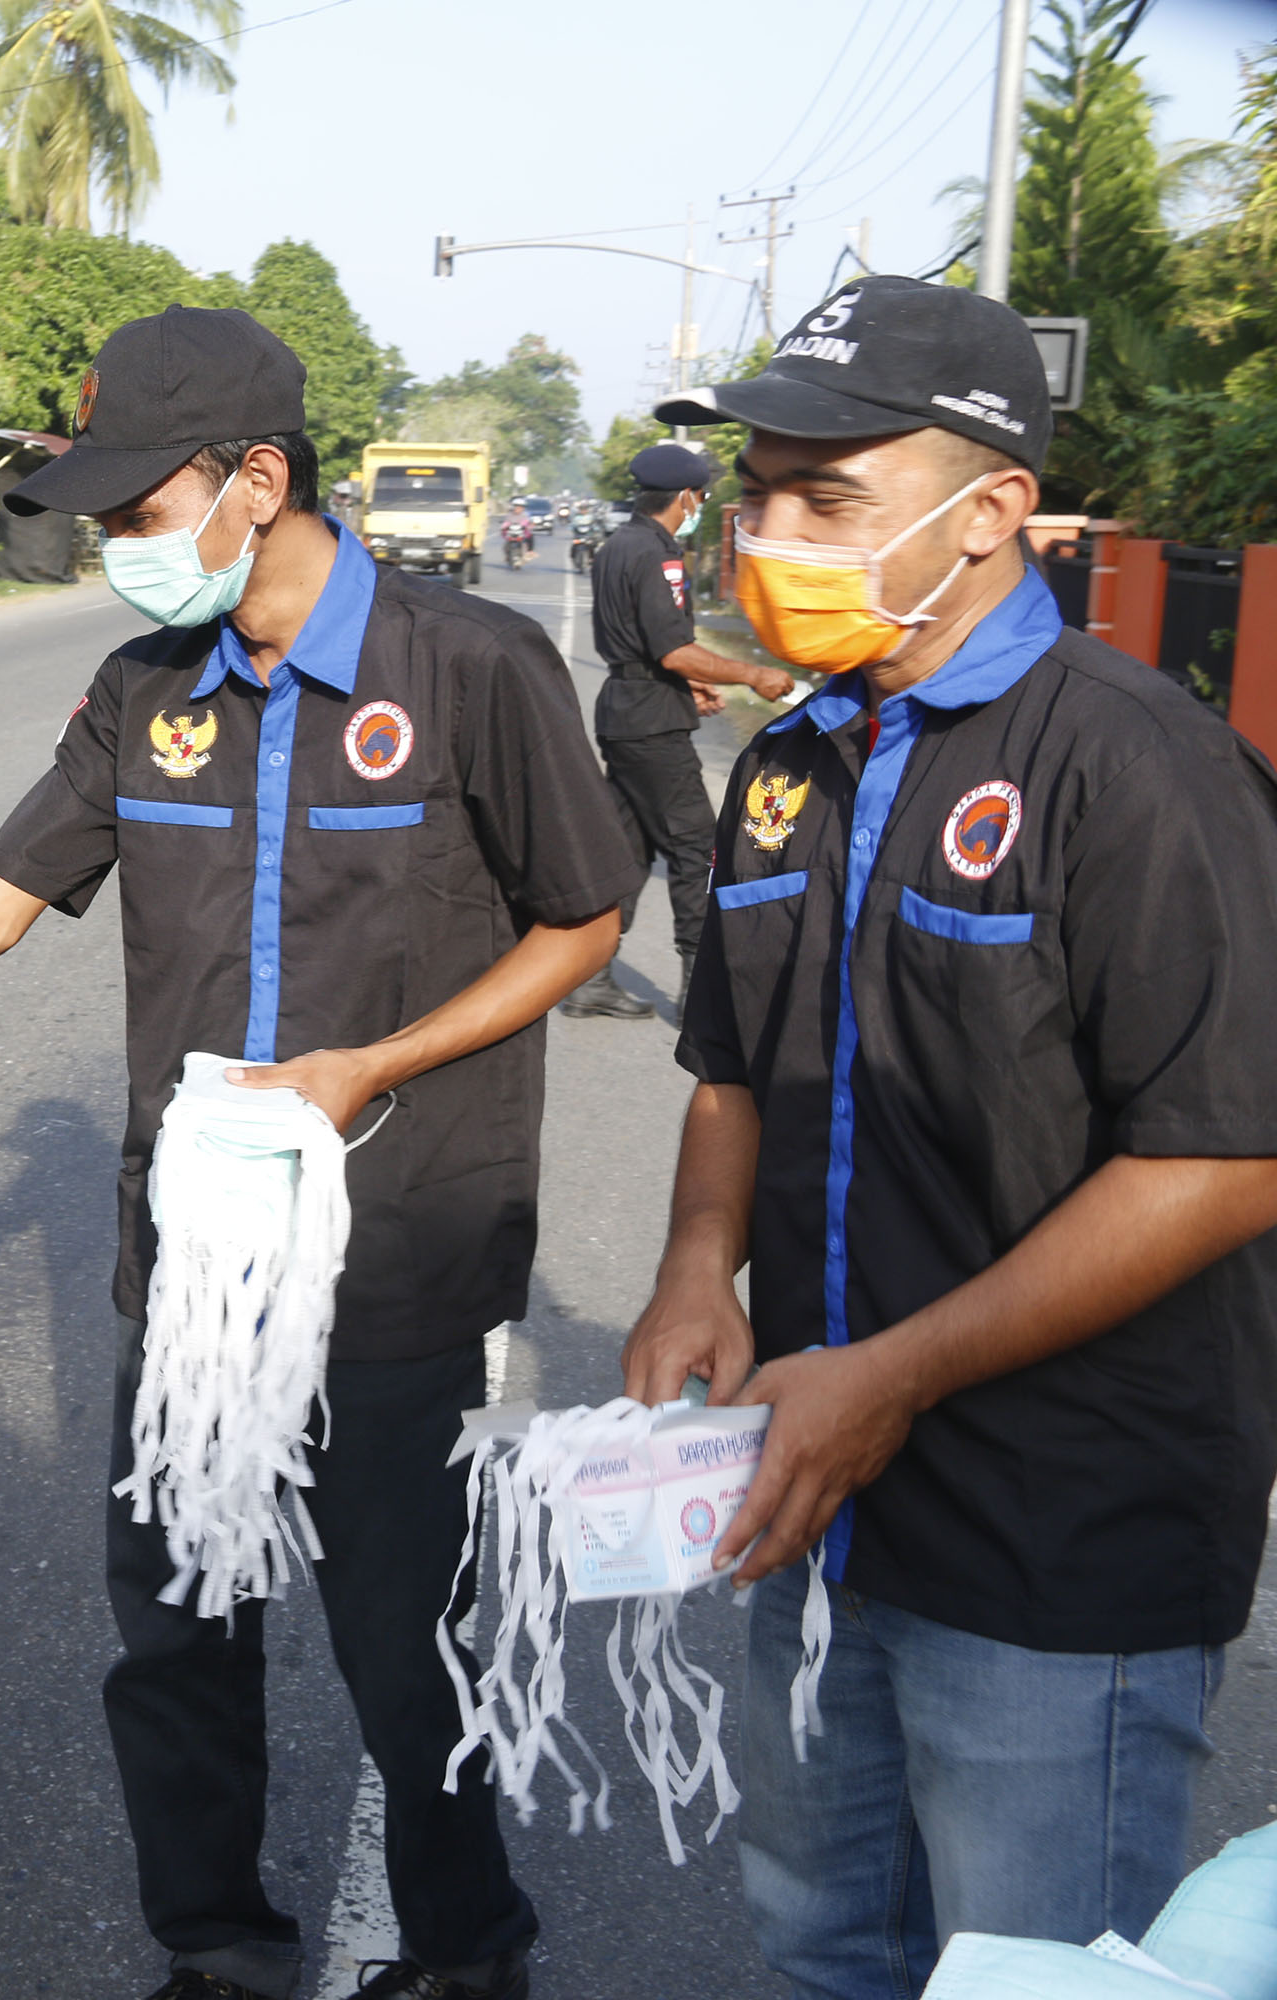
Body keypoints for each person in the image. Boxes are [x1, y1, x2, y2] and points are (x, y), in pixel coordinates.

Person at [0, 305, 644, 2000]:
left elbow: (584, 918)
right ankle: (216, 1947)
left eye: (141, 510)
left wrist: (376, 1063)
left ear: (257, 483)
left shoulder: (469, 668)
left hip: (398, 1250)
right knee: (178, 1633)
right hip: (195, 1265)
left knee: (402, 1644)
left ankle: (468, 1952)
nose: (118, 549)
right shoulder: (146, 688)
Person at [621, 275, 1277, 1999]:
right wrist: (697, 1267)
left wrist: (896, 1374)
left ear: (991, 514)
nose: (769, 538)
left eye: (829, 501)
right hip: (818, 1492)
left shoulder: (1137, 766)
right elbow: (732, 1064)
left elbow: (1225, 1158)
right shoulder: (788, 761)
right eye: (761, 493)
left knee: (1026, 1971)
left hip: (1056, 1536)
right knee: (823, 1941)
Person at [558, 442, 797, 1021]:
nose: (701, 506)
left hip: (628, 708)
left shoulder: (617, 544)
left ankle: (589, 977)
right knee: (696, 848)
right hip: (651, 723)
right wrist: (753, 675)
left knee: (628, 851)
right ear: (686, 497)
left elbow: (639, 646)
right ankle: (700, 992)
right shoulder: (659, 554)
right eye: (703, 496)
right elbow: (672, 649)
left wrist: (691, 685)